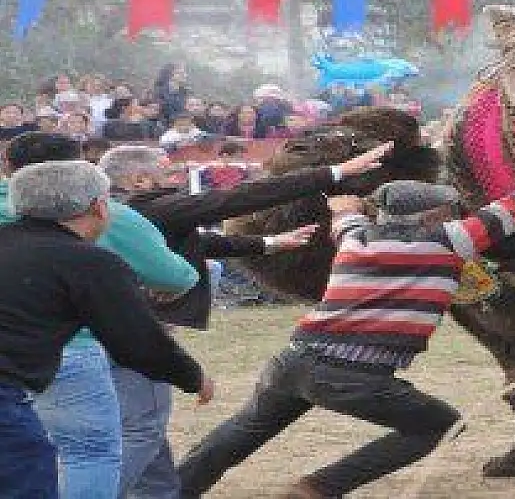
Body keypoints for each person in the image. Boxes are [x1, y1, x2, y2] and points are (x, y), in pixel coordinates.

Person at [176, 167, 515, 498]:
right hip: (351, 375)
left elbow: (344, 217)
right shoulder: (448, 241)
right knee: (440, 425)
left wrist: (341, 204)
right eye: (444, 208)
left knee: (239, 434)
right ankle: (320, 488)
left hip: (294, 360)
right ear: (428, 216)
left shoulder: (355, 239)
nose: (451, 212)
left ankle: (173, 490)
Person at [99, 141, 396, 497]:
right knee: (142, 430)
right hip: (135, 334)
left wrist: (269, 243)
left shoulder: (123, 212)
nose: (176, 175)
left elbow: (197, 243)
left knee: (145, 425)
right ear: (140, 180)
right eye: (167, 170)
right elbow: (239, 198)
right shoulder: (156, 208)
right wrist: (335, 172)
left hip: (115, 330)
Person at [0, 132, 200, 499]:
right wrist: (193, 377)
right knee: (75, 455)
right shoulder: (88, 259)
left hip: (24, 381)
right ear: (98, 207)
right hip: (35, 378)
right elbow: (138, 341)